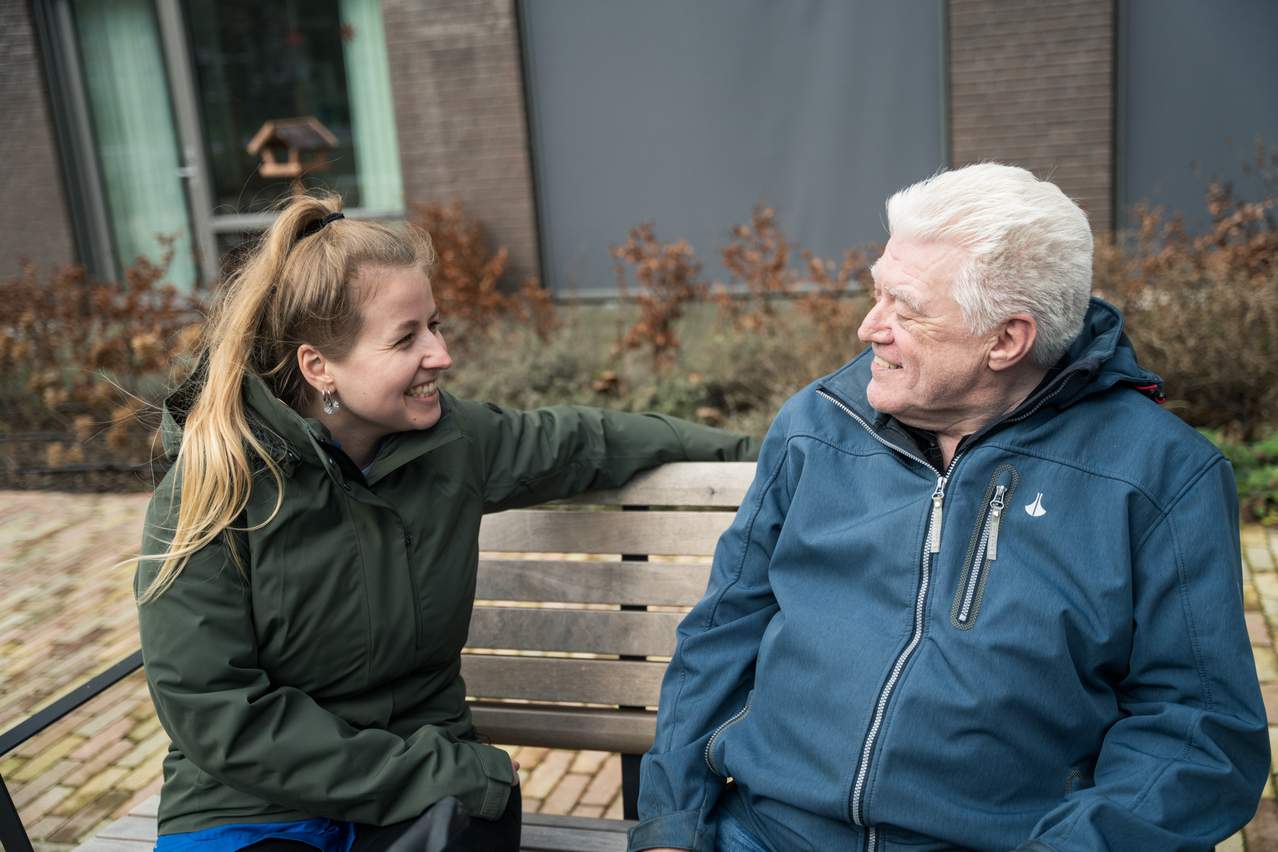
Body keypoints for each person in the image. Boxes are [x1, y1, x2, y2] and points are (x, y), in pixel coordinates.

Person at [631, 163, 1269, 852]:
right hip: (765, 833)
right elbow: (723, 631)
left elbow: (1199, 733)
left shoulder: (1159, 476)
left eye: (904, 308)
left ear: (1005, 339)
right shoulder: (817, 426)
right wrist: (672, 826)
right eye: (876, 294)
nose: (868, 328)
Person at [134, 194, 758, 852]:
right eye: (407, 338)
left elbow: (588, 441)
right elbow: (216, 711)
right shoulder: (213, 488)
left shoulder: (453, 444)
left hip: (427, 802)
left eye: (436, 325)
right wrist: (434, 774)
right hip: (254, 808)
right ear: (319, 367)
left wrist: (772, 460)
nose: (441, 354)